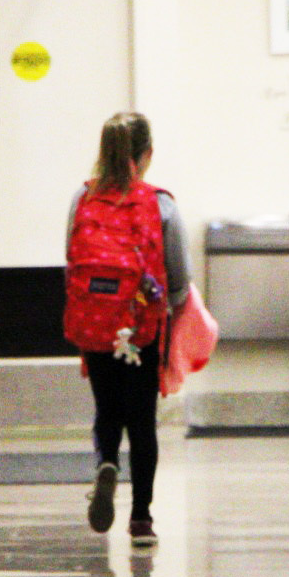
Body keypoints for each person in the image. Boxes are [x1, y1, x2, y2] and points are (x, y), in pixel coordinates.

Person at [66, 113, 189, 545]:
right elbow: (178, 278)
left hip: (95, 323)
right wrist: (171, 311)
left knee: (107, 409)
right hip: (141, 326)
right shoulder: (162, 205)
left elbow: (71, 258)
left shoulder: (83, 198)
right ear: (147, 154)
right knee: (142, 421)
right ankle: (141, 519)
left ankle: (107, 464)